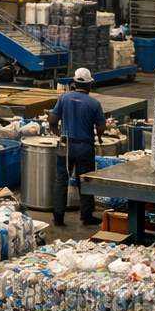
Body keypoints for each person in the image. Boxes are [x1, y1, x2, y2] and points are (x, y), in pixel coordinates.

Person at [47, 68, 107, 227]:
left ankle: (58, 217)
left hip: (66, 145)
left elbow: (52, 120)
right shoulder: (94, 103)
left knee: (61, 179)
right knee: (84, 181)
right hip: (84, 147)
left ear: (74, 83)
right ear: (89, 85)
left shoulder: (64, 98)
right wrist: (100, 137)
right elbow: (101, 126)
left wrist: (57, 132)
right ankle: (86, 216)